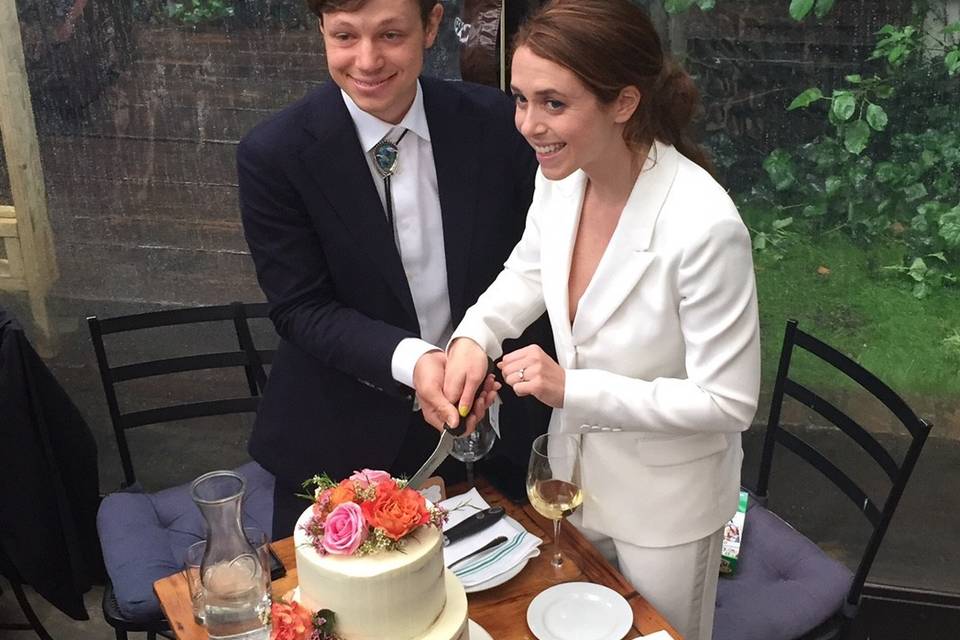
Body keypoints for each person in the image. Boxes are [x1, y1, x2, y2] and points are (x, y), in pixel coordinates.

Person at [442, 1, 761, 638]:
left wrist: (570, 390)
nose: (529, 124)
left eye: (554, 103)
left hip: (668, 511)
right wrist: (475, 335)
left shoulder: (705, 227)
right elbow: (529, 270)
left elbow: (728, 402)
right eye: (521, 99)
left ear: (624, 103)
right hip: (572, 479)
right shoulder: (563, 175)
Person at [238, 0, 551, 538]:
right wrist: (415, 361)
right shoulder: (274, 154)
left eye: (389, 35)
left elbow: (536, 258)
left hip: (494, 431)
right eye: (344, 36)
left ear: (431, 25)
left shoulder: (499, 124)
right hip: (339, 443)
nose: (366, 60)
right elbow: (300, 308)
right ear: (320, 29)